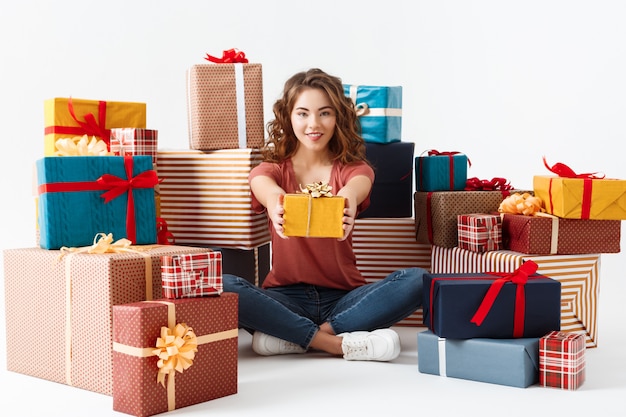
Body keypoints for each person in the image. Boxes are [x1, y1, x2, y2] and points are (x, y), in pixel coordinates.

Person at [222, 68, 425, 362]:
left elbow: (358, 186)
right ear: (288, 117)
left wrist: (348, 198)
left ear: (338, 117)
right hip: (284, 298)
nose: (313, 124)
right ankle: (334, 344)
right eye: (303, 113)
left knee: (418, 279)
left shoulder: (353, 170)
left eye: (325, 113)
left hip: (344, 299)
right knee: (225, 285)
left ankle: (299, 336)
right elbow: (262, 184)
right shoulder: (273, 170)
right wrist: (275, 201)